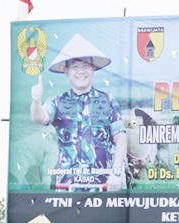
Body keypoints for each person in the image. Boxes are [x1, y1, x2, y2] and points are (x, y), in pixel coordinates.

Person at [30, 33, 128, 192]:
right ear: (66, 70)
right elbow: (39, 118)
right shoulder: (57, 101)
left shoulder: (108, 100)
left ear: (93, 68)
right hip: (67, 188)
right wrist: (35, 101)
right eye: (75, 66)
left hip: (103, 187)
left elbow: (121, 138)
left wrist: (116, 173)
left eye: (85, 66)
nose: (81, 71)